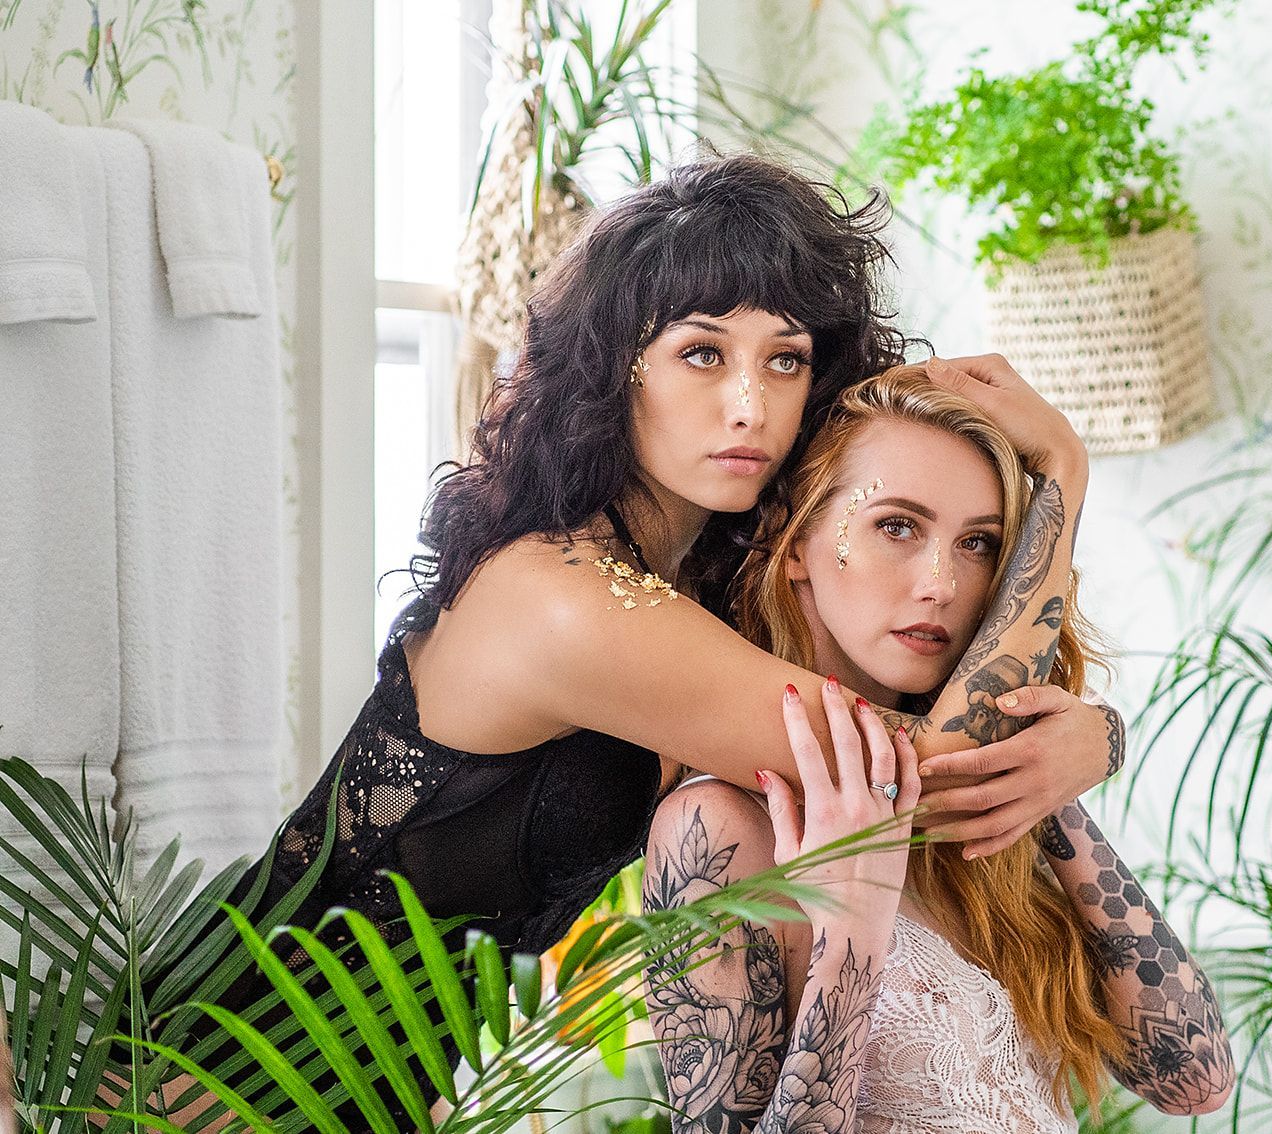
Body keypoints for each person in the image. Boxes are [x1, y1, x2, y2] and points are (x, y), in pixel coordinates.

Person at [198, 154, 1120, 1120]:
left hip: (359, 1095)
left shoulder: (685, 581)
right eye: (702, 354)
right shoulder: (564, 600)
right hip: (217, 1087)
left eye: (786, 359)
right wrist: (1062, 470)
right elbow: (918, 771)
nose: (749, 405)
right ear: (613, 367)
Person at [643, 367, 1236, 1133]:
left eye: (978, 543)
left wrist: (1040, 779)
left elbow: (1195, 1077)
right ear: (796, 541)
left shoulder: (971, 826)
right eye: (896, 526)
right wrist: (851, 936)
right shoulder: (718, 827)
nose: (942, 583)